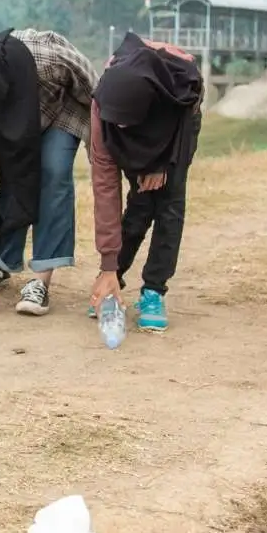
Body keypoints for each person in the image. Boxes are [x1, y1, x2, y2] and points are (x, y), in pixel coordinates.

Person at [0, 29, 94, 315]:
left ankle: (40, 281)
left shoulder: (46, 59)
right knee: (14, 177)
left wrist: (102, 144)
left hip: (59, 111)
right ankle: (0, 261)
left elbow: (93, 87)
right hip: (7, 119)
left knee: (52, 172)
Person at [87, 32, 204, 334]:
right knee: (140, 203)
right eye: (118, 125)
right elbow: (105, 187)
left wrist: (161, 162)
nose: (121, 127)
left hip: (176, 123)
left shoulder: (183, 85)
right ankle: (112, 278)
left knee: (169, 204)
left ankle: (153, 290)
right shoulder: (104, 103)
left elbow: (181, 127)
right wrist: (107, 263)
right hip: (137, 114)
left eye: (127, 123)